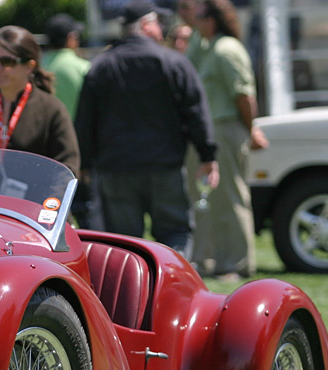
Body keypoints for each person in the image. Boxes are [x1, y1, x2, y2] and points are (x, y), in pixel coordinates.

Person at [75, 0, 218, 258]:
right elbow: (195, 111)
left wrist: (84, 163)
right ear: (145, 24)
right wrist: (207, 156)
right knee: (175, 233)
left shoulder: (102, 65)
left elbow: (85, 121)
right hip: (164, 168)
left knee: (124, 245)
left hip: (116, 170)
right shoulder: (173, 62)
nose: (162, 29)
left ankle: (134, 296)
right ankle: (174, 294)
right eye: (158, 22)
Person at [188, 0, 268, 280]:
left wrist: (251, 128)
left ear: (211, 20)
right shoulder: (208, 47)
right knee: (208, 199)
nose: (194, 21)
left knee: (230, 197)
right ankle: (210, 260)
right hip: (210, 132)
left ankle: (237, 262)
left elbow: (244, 96)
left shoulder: (226, 50)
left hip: (225, 128)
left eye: (199, 17)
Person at [0, 25, 81, 177]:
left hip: (35, 200)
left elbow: (67, 169)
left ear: (29, 66)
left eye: (7, 62)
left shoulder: (52, 109)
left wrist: (47, 199)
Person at [41, 13, 102, 231]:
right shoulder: (83, 67)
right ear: (70, 38)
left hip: (46, 150)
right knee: (86, 210)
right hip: (79, 148)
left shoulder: (39, 67)